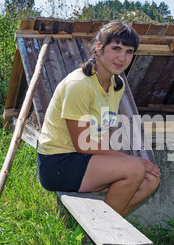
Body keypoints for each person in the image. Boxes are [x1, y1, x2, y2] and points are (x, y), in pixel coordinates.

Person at [37, 21, 161, 216]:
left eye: (129, 52)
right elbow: (83, 145)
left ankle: (102, 228)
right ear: (99, 48)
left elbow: (101, 133)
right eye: (116, 49)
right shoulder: (79, 85)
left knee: (150, 180)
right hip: (57, 163)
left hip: (83, 159)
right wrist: (131, 161)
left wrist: (123, 164)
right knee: (136, 168)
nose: (122, 57)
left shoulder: (116, 85)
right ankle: (103, 230)